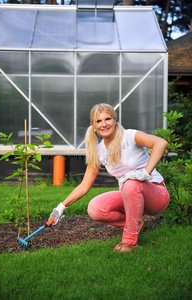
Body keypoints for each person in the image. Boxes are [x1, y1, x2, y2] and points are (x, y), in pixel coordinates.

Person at [48, 103, 170, 253]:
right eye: (98, 121)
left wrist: (145, 173)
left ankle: (129, 242)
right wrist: (61, 207)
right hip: (130, 196)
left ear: (115, 120)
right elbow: (84, 185)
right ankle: (136, 224)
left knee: (131, 182)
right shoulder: (98, 151)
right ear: (93, 125)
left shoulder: (130, 136)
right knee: (95, 208)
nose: (104, 124)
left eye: (108, 119)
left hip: (156, 195)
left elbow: (161, 143)